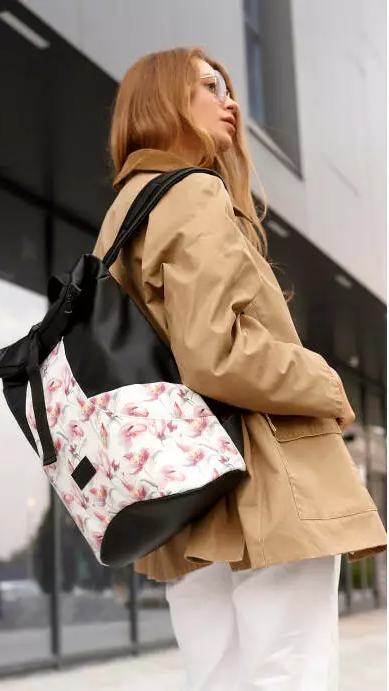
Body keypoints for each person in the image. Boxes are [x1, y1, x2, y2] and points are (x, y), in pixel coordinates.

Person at [93, 47, 386, 691]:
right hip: (264, 479)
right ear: (164, 100)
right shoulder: (193, 192)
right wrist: (324, 383)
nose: (229, 101)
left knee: (218, 678)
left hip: (186, 498)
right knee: (293, 675)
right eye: (209, 86)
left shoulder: (123, 213)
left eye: (227, 86)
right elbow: (214, 352)